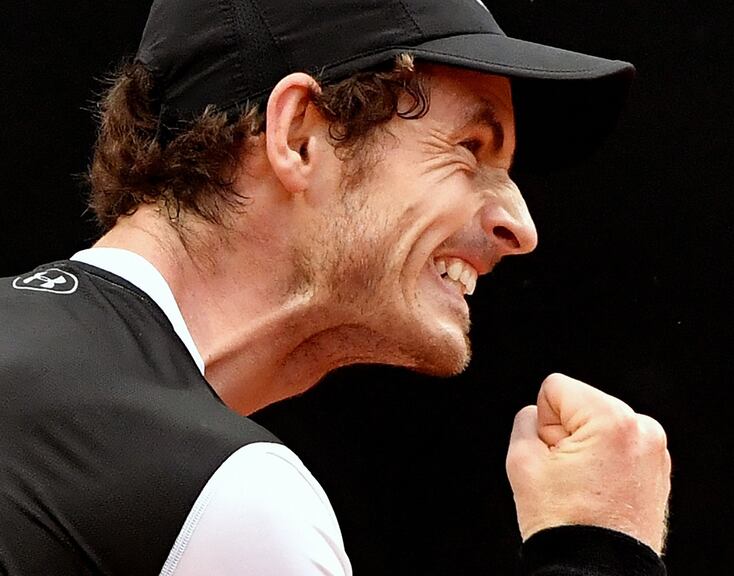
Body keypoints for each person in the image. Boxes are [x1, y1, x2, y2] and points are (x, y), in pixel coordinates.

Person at [0, 0, 672, 574]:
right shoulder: (227, 498)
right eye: (471, 147)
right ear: (298, 137)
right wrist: (598, 545)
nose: (520, 227)